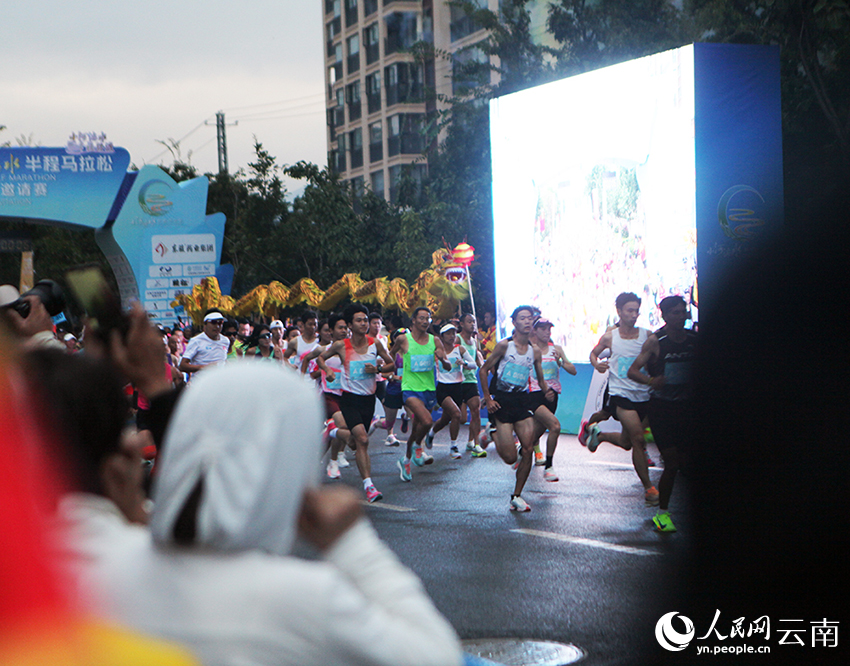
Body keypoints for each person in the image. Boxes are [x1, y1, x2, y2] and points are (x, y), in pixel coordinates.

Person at [47, 351, 464, 666]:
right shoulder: (304, 598)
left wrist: (135, 504)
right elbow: (437, 656)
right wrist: (351, 543)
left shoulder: (93, 564)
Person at [627, 296, 695, 532]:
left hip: (687, 408)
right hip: (662, 409)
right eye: (674, 313)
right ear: (664, 316)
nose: (680, 317)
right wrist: (652, 380)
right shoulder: (657, 341)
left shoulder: (695, 339)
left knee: (686, 463)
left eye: (682, 312)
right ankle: (663, 513)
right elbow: (633, 370)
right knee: (672, 462)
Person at [478, 305, 551, 512]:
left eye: (530, 318)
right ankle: (492, 433)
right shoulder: (504, 346)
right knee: (510, 457)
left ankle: (517, 495)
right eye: (523, 318)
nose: (527, 321)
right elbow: (483, 371)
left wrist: (546, 390)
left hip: (522, 401)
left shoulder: (534, 351)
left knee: (527, 449)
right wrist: (487, 398)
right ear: (514, 323)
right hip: (502, 401)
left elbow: (539, 376)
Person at [588, 293, 658, 507]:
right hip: (621, 395)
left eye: (636, 310)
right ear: (619, 311)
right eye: (629, 310)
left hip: (644, 396)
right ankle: (649, 489)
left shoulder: (648, 336)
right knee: (638, 438)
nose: (634, 314)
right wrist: (596, 363)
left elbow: (657, 360)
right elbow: (594, 353)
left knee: (628, 443)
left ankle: (599, 437)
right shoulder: (611, 336)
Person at [320, 304, 394, 502]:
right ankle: (369, 486)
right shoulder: (341, 345)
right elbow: (320, 358)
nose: (364, 323)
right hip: (349, 399)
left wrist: (378, 370)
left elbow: (391, 364)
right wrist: (327, 371)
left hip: (368, 401)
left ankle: (334, 432)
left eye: (365, 320)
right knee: (362, 439)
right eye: (359, 320)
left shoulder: (375, 344)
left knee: (354, 441)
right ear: (350, 324)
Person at [388, 307, 451, 483]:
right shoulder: (403, 339)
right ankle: (418, 448)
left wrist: (443, 359)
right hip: (409, 388)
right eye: (421, 318)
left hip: (429, 389)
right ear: (414, 320)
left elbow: (447, 366)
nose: (425, 321)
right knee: (427, 421)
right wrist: (386, 369)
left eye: (427, 318)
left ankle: (405, 460)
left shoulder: (435, 340)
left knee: (417, 429)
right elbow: (390, 357)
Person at [528, 317, 576, 482]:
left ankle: (523, 450)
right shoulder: (530, 350)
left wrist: (560, 362)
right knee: (554, 426)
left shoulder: (556, 349)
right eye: (542, 329)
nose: (547, 332)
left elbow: (573, 370)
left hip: (552, 396)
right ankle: (549, 467)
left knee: (537, 432)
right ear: (535, 330)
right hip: (534, 393)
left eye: (549, 329)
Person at [427, 323, 477, 459]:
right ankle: (453, 446)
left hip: (457, 387)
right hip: (443, 388)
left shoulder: (459, 349)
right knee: (456, 414)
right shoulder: (436, 351)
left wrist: (465, 364)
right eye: (448, 334)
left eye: (454, 333)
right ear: (442, 336)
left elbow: (474, 364)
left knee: (445, 419)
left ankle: (432, 432)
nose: (451, 336)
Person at [457, 313, 487, 457]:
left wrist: (483, 365)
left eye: (474, 322)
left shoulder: (474, 342)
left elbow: (478, 359)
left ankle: (475, 444)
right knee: (462, 418)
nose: (472, 324)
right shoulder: (457, 339)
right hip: (457, 382)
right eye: (469, 322)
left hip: (471, 381)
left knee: (475, 411)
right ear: (462, 324)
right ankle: (435, 433)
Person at [178, 310, 229, 377]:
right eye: (213, 323)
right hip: (201, 382)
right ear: (205, 325)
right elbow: (182, 365)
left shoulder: (225, 341)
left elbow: (223, 360)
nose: (217, 326)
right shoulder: (196, 341)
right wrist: (204, 368)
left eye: (220, 323)